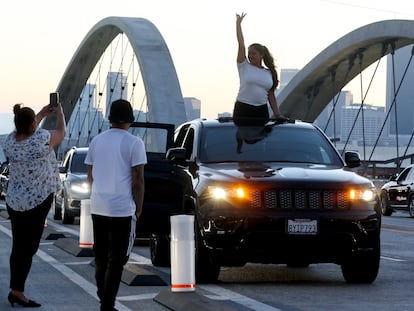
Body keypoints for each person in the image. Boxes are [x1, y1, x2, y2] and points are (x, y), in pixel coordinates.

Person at [85, 99, 146, 311]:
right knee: (118, 259)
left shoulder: (96, 141)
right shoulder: (135, 143)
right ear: (130, 119)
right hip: (122, 209)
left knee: (101, 256)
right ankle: (107, 304)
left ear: (110, 118)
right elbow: (137, 179)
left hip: (98, 206)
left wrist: (98, 193)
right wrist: (138, 206)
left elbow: (90, 174)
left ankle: (104, 296)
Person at [4, 101, 66, 308]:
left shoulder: (10, 141)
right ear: (33, 124)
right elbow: (61, 132)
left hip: (15, 201)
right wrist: (60, 114)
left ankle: (16, 290)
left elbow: (26, 129)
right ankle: (18, 291)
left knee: (19, 246)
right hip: (38, 200)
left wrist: (39, 114)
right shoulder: (41, 138)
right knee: (29, 248)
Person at [233, 12, 285, 126]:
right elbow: (241, 44)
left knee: (260, 138)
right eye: (249, 53)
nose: (250, 56)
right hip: (243, 108)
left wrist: (277, 115)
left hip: (261, 110)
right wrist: (238, 24)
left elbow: (271, 95)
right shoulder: (244, 66)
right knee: (242, 136)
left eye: (253, 53)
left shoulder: (269, 73)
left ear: (261, 55)